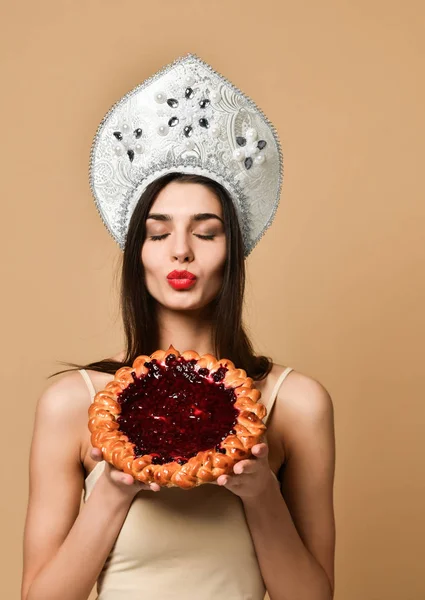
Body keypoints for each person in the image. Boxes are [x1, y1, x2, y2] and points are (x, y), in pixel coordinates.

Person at [21, 55, 335, 600]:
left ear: (232, 252)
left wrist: (259, 492)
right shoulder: (75, 404)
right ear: (136, 253)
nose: (181, 250)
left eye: (206, 232)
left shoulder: (294, 404)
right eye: (158, 232)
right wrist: (115, 489)